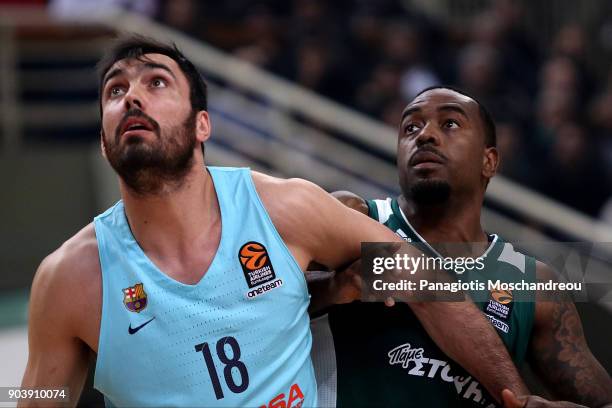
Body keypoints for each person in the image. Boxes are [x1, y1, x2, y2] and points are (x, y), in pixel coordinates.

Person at [19, 38, 528, 407]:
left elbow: (423, 278)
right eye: (115, 91)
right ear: (105, 138)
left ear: (203, 125)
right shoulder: (69, 278)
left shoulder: (284, 208)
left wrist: (517, 400)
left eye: (156, 83)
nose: (131, 97)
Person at [310, 87, 612, 407]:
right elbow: (259, 297)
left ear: (489, 161)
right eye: (410, 127)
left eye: (450, 123)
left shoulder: (533, 284)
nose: (425, 135)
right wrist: (334, 286)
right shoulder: (354, 216)